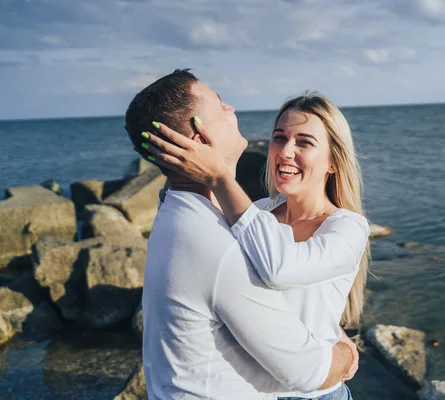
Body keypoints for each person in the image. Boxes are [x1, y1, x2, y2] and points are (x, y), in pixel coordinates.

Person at [124, 69, 358, 399]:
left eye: (304, 142)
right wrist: (345, 353)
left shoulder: (178, 212)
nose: (232, 109)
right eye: (220, 106)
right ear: (199, 143)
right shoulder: (226, 238)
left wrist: (332, 329)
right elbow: (306, 369)